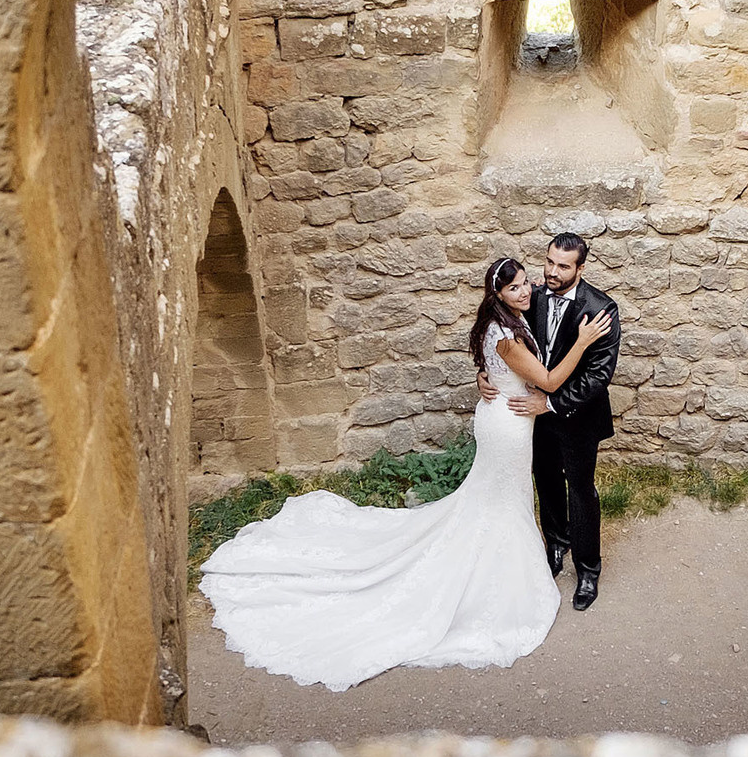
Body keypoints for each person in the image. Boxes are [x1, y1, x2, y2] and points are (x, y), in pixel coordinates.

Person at [199, 259, 612, 691]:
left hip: (506, 416)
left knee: (495, 496)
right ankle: (500, 569)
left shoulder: (504, 322)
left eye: (527, 283)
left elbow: (504, 359)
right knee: (501, 499)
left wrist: (487, 373)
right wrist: (581, 342)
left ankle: (551, 556)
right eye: (516, 289)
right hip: (509, 424)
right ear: (498, 296)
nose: (527, 291)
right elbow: (544, 378)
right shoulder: (505, 332)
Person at [479, 231, 622, 612]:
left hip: (576, 417)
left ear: (581, 267)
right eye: (549, 262)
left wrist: (552, 404)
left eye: (563, 266)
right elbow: (501, 340)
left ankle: (588, 568)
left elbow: (598, 376)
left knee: (580, 490)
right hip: (531, 416)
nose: (552, 273)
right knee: (546, 482)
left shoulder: (602, 309)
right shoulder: (533, 296)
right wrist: (485, 374)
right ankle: (556, 545)